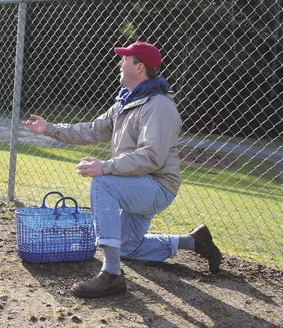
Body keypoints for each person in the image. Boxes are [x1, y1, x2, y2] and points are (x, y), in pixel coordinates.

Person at [23, 41, 222, 298]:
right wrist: (49, 128)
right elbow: (92, 130)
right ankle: (193, 242)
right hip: (134, 183)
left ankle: (112, 275)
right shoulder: (126, 103)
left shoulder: (159, 106)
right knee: (127, 246)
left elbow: (152, 157)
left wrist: (105, 167)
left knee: (103, 183)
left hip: (156, 186)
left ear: (139, 67)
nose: (119, 63)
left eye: (125, 59)